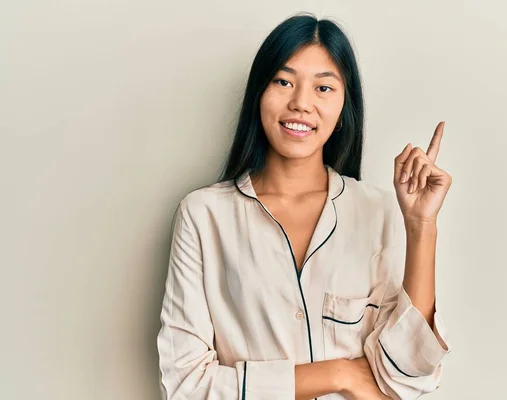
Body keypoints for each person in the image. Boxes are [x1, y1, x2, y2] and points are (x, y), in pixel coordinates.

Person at [157, 12, 452, 400]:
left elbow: (409, 378)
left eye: (324, 88)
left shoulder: (380, 211)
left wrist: (420, 225)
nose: (300, 103)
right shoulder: (202, 216)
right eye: (283, 81)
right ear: (259, 94)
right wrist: (339, 374)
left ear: (345, 109)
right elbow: (185, 386)